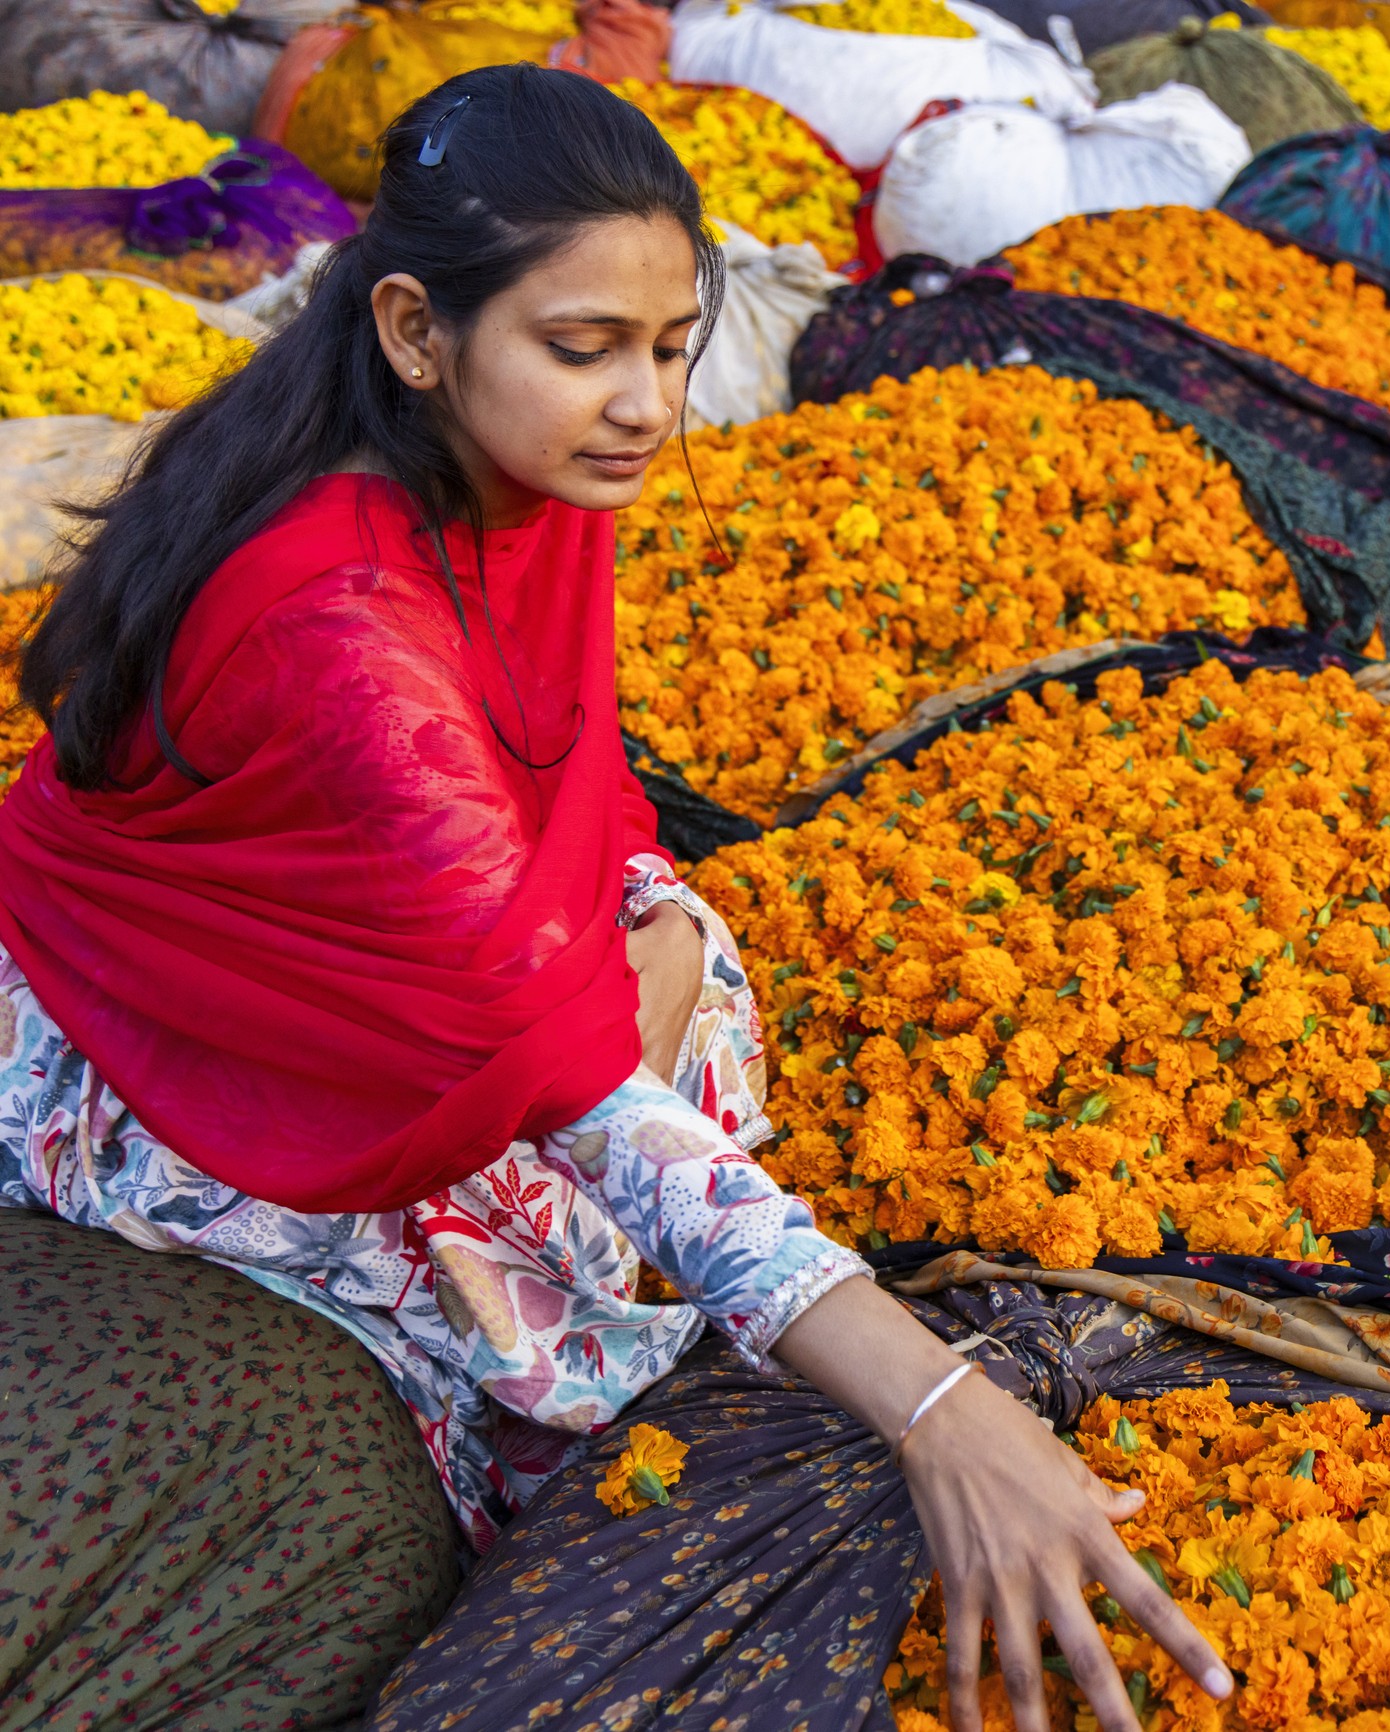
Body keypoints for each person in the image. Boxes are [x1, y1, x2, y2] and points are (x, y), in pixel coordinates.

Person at [0, 64, 1232, 1732]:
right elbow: (572, 1077)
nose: (650, 400)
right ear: (417, 329)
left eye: (668, 343)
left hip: (379, 937)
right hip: (179, 1072)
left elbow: (556, 770)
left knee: (679, 952)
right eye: (584, 349)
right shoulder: (343, 632)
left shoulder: (502, 472)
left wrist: (610, 958)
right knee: (558, 1176)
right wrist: (942, 1407)